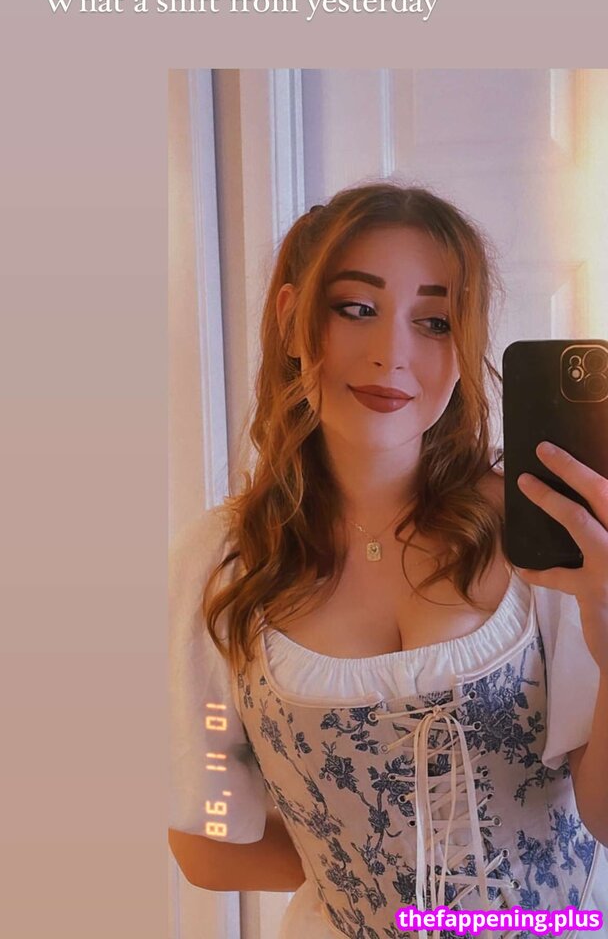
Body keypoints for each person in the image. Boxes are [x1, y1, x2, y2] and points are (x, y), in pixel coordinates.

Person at [169, 183, 608, 939]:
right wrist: (354, 863)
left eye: (434, 322)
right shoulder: (224, 566)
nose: (392, 354)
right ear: (292, 320)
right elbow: (208, 839)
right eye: (356, 308)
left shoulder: (542, 533)